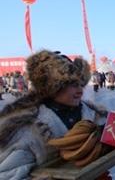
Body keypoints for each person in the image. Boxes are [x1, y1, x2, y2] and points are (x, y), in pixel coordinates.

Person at [0, 50, 108, 179]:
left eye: (80, 83)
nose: (80, 90)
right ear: (52, 87)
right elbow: (7, 175)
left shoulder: (93, 113)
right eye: (72, 84)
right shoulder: (30, 131)